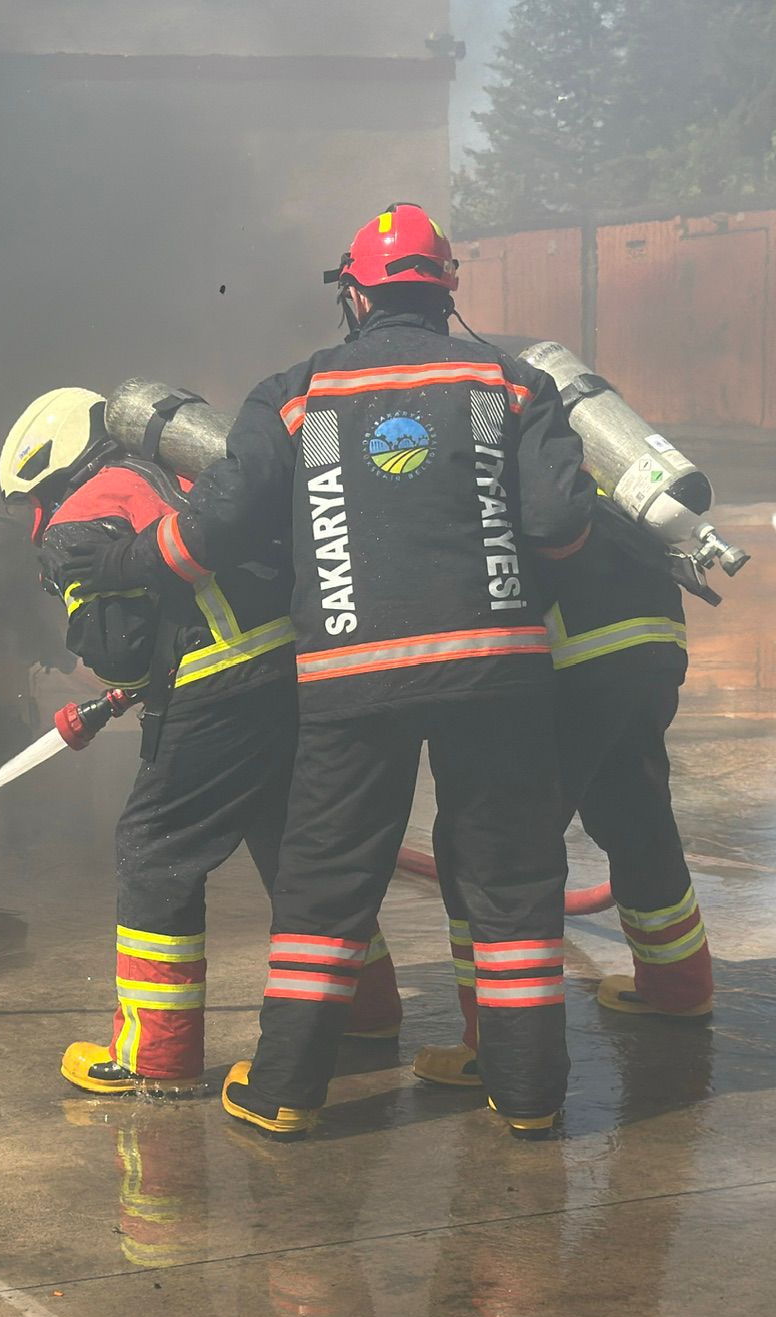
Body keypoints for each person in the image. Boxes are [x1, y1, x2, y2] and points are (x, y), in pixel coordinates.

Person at [73, 204, 597, 1139]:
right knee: (510, 877)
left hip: (354, 678)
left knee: (326, 879)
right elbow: (560, 525)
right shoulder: (511, 385)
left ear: (355, 294)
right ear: (446, 291)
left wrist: (123, 564)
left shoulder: (295, 395)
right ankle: (528, 1097)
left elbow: (216, 532)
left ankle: (283, 1092)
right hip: (499, 674)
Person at [0, 388, 402, 1097]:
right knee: (297, 851)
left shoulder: (80, 515)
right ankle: (365, 1009)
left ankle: (155, 1054)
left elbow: (118, 650)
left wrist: (102, 633)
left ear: (41, 473)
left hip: (220, 686)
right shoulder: (187, 471)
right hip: (302, 671)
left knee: (155, 852)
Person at [413, 499, 713, 1092]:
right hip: (651, 637)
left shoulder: (483, 409)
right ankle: (678, 987)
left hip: (563, 653)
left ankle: (495, 1044)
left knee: (490, 847)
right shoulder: (574, 420)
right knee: (635, 809)